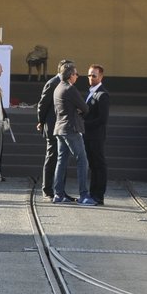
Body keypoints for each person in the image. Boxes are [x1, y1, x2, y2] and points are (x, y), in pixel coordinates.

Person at [51, 61, 97, 205]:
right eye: (76, 74)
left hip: (59, 128)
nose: (77, 77)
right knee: (82, 160)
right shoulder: (70, 89)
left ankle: (58, 194)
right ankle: (83, 194)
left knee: (61, 161)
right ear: (71, 75)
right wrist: (77, 110)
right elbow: (85, 108)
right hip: (71, 129)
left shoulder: (58, 87)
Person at [83, 64, 110, 204]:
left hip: (96, 136)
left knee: (99, 164)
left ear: (101, 77)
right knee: (93, 165)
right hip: (88, 135)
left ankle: (99, 195)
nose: (91, 78)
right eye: (89, 75)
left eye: (94, 75)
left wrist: (84, 124)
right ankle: (93, 193)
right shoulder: (90, 92)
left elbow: (102, 119)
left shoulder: (103, 94)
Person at [36, 67, 64, 197]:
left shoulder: (65, 83)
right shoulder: (53, 83)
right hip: (52, 126)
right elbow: (43, 105)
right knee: (52, 157)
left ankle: (58, 189)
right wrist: (41, 122)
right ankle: (47, 189)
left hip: (62, 126)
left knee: (60, 158)